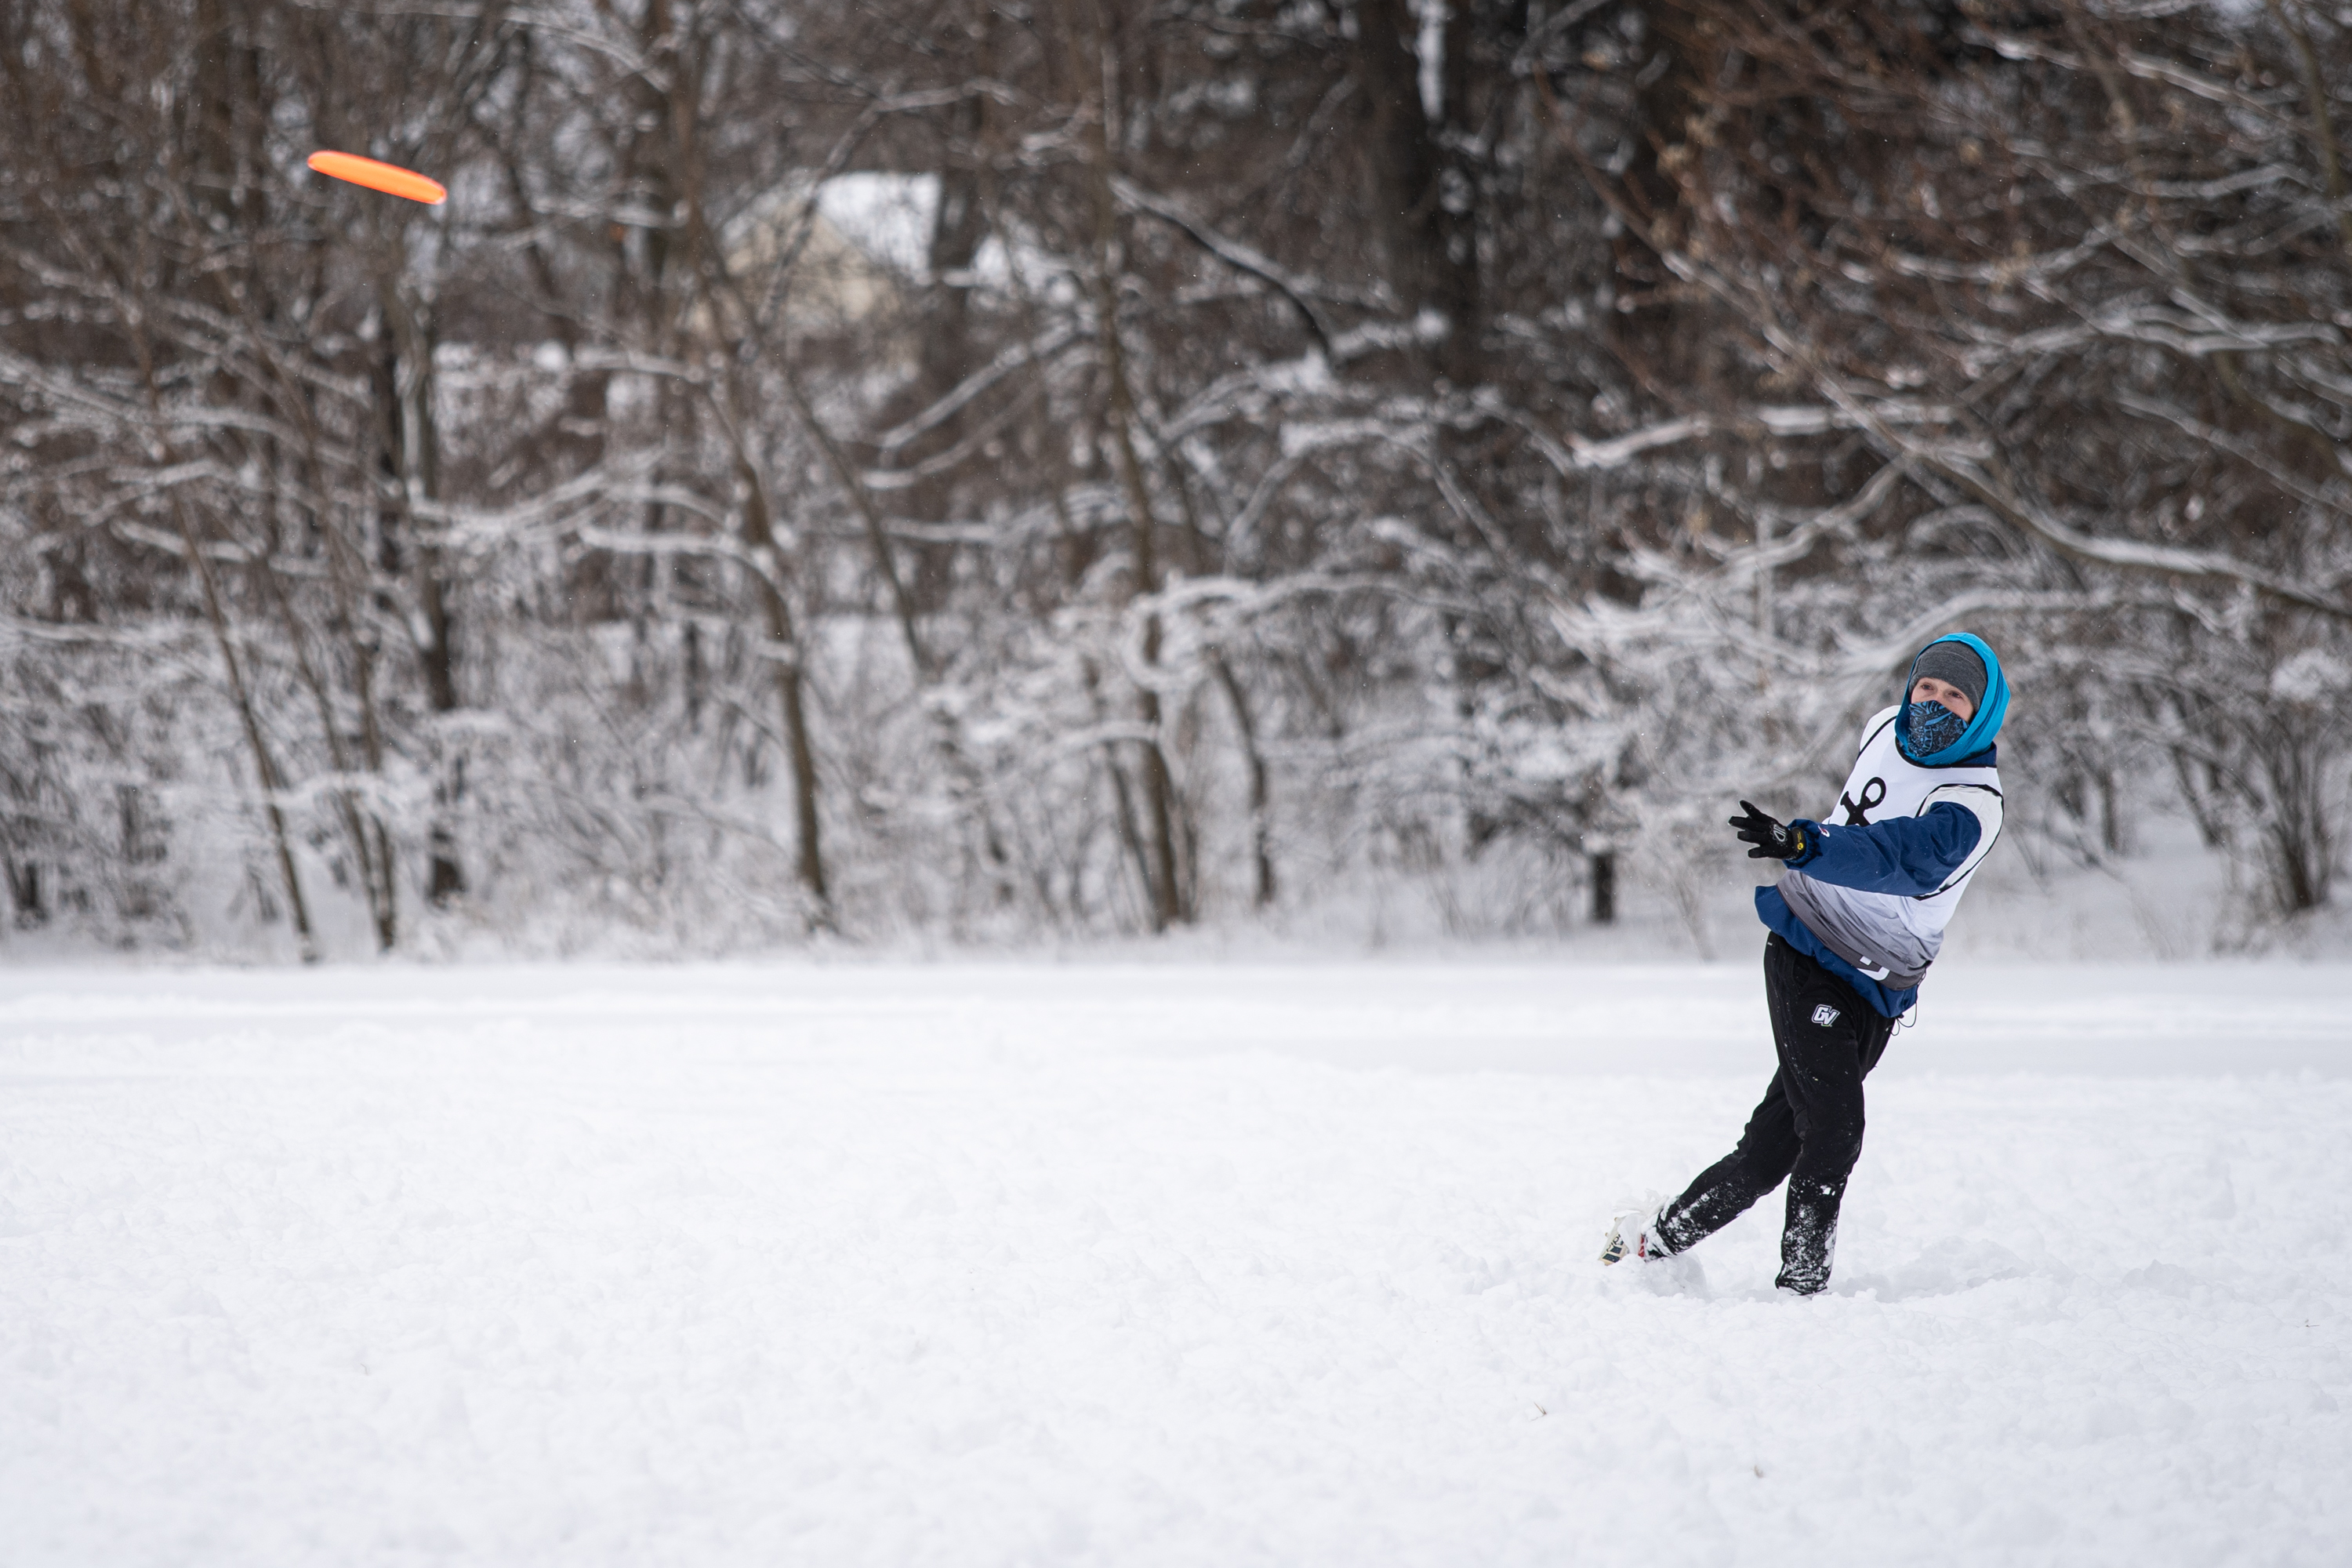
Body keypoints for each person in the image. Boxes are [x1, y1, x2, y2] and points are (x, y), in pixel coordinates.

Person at [1600, 633, 2010, 1294]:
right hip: (1806, 951)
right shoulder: (1882, 727)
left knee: (1770, 1152)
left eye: (1956, 696)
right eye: (1927, 688)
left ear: (1983, 713)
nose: (1934, 704)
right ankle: (1802, 1287)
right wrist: (1805, 848)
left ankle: (1651, 1241)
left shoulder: (1973, 804)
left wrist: (1807, 842)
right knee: (1835, 1127)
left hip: (1877, 990)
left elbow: (1902, 857)